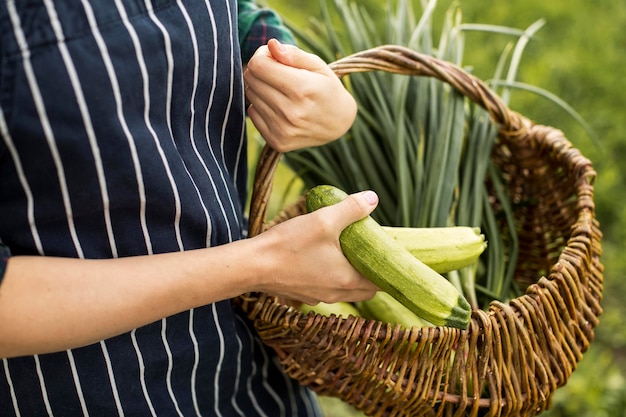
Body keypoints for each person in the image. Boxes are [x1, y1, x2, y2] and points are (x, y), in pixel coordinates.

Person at [0, 0, 379, 415]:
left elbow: (230, 18)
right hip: (86, 394)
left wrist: (302, 84)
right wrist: (262, 264)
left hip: (255, 384)